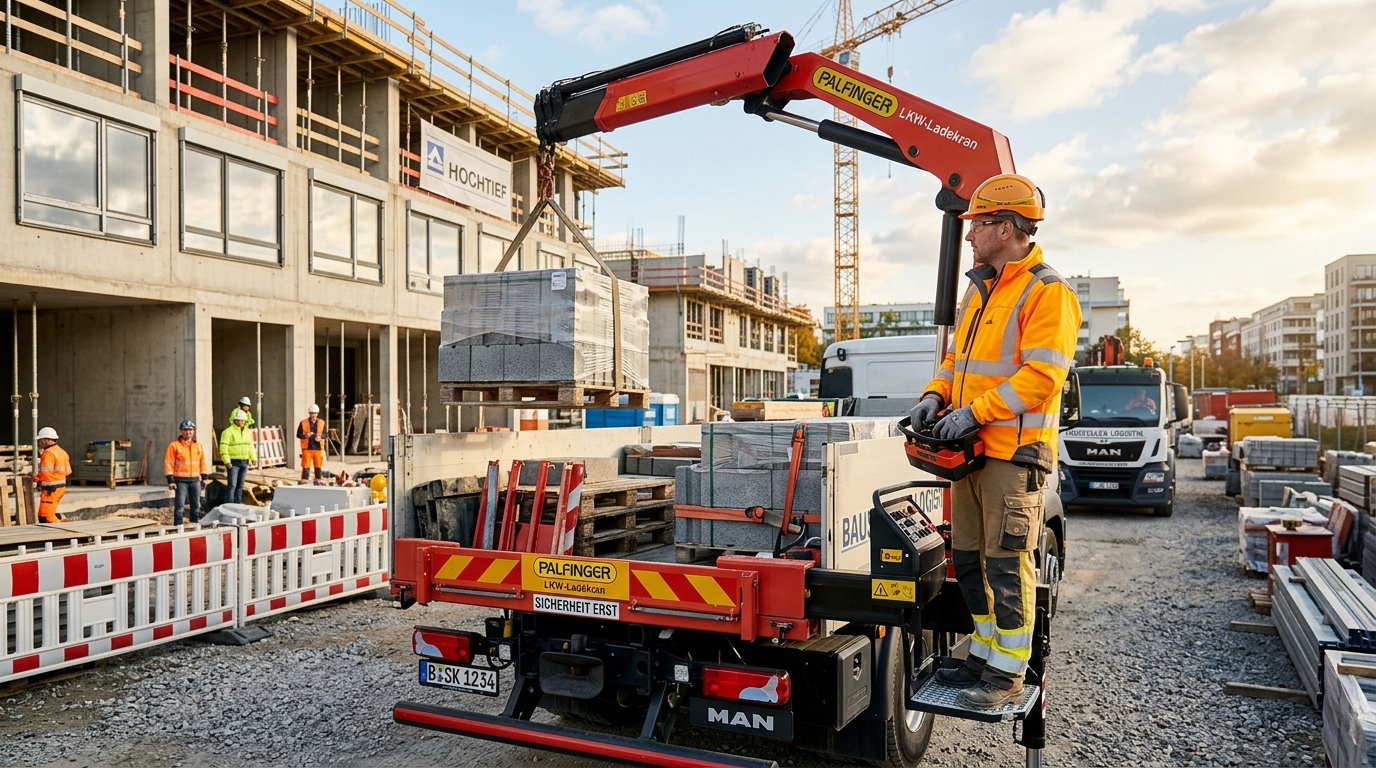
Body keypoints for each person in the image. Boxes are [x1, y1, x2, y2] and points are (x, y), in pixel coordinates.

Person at [908, 173, 1081, 710]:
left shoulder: (1048, 292)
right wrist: (936, 396)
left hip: (1012, 451)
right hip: (972, 450)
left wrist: (975, 413)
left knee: (1006, 561)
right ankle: (983, 655)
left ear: (1006, 228)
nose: (970, 235)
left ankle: (1007, 673)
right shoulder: (981, 288)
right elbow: (957, 360)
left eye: (978, 224)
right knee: (966, 558)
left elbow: (1042, 377)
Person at [165, 420, 208, 526]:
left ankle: (194, 525)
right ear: (181, 431)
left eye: (191, 430)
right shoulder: (174, 445)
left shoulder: (198, 445)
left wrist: (205, 477)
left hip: (195, 480)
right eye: (186, 430)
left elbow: (202, 462)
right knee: (179, 506)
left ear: (193, 431)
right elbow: (168, 463)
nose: (188, 432)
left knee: (195, 505)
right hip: (180, 481)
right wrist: (170, 480)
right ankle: (178, 527)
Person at [33, 427, 71, 524]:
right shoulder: (62, 451)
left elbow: (45, 474)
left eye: (40, 440)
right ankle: (61, 522)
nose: (39, 443)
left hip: (51, 489)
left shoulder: (48, 453)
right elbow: (68, 471)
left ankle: (60, 532)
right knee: (44, 514)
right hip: (60, 488)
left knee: (46, 517)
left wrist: (35, 478)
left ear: (46, 440)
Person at [219, 409, 257, 505]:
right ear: (235, 420)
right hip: (233, 462)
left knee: (240, 485)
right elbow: (223, 447)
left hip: (244, 461)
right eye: (239, 420)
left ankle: (237, 504)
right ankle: (229, 505)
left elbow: (250, 446)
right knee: (232, 485)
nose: (241, 422)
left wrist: (253, 458)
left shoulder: (246, 432)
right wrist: (226, 461)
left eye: (243, 420)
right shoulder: (227, 432)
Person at [297, 404, 327, 485]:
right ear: (309, 413)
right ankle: (304, 479)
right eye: (312, 413)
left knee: (318, 465)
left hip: (318, 447)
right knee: (306, 465)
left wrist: (320, 437)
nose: (313, 415)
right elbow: (298, 434)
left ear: (317, 413)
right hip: (307, 447)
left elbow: (326, 434)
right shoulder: (303, 423)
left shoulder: (322, 423)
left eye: (315, 413)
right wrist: (306, 436)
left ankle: (318, 479)